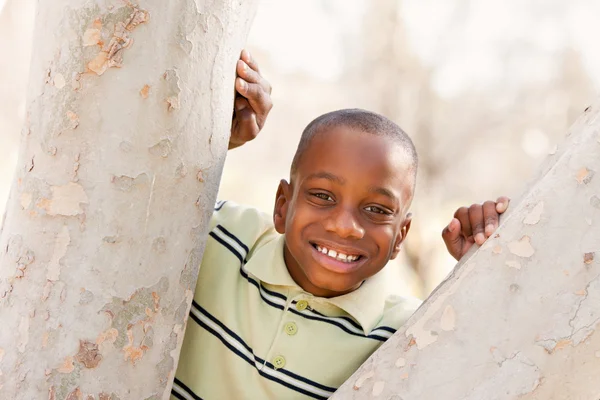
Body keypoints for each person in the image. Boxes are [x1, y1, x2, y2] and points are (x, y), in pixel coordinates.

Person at [170, 51, 509, 400]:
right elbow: (151, 201)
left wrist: (481, 276)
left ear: (400, 238)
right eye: (322, 196)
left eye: (377, 209)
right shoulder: (218, 233)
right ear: (283, 206)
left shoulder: (406, 335)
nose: (346, 227)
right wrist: (224, 138)